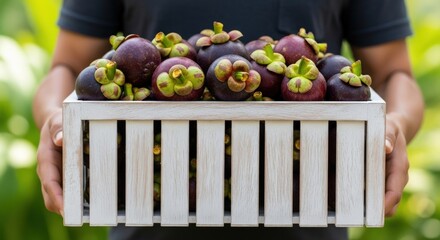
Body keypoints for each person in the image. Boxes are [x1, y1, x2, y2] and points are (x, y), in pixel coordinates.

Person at [33, 0, 424, 239]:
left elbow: (393, 73)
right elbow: (67, 64)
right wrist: (55, 119)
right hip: (141, 218)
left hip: (313, 222)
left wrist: (397, 123)